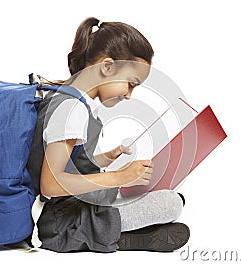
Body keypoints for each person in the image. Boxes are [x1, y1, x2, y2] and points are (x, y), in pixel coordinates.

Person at [26, 17, 190, 253]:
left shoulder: (69, 100)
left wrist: (106, 157)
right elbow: (51, 185)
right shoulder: (70, 110)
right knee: (170, 203)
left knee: (169, 199)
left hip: (72, 206)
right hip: (60, 222)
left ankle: (114, 232)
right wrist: (118, 177)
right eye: (131, 84)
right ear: (107, 67)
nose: (130, 94)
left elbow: (71, 163)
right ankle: (110, 235)